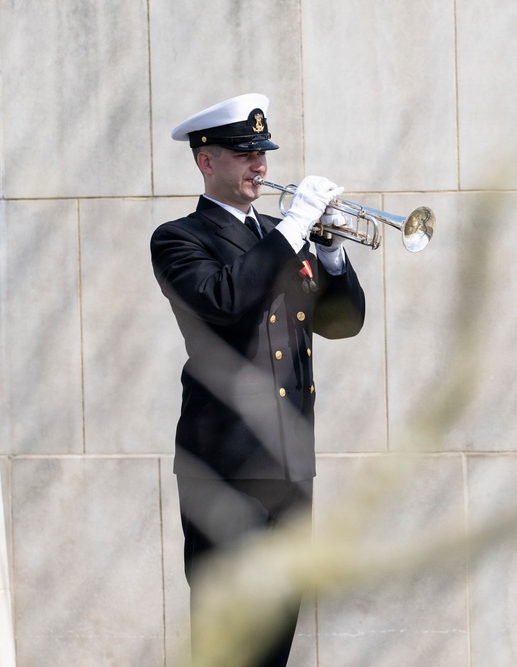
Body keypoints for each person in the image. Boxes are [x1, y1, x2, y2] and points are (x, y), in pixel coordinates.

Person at [150, 93, 366, 666]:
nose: (260, 167)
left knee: (275, 641)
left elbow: (341, 324)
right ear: (206, 161)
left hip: (291, 467)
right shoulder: (179, 239)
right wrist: (293, 228)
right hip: (226, 470)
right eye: (245, 154)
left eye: (262, 153)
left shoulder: (282, 235)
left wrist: (336, 257)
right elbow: (225, 299)